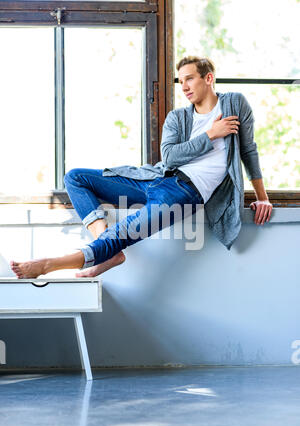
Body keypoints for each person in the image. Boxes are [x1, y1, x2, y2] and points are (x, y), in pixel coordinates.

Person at [10, 56, 272, 279]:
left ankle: (46, 265)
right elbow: (169, 157)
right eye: (180, 81)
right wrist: (211, 135)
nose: (184, 86)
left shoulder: (235, 104)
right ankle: (109, 253)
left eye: (190, 78)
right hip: (154, 178)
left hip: (183, 193)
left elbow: (248, 150)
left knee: (122, 233)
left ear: (209, 78)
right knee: (76, 177)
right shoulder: (177, 117)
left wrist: (263, 198)